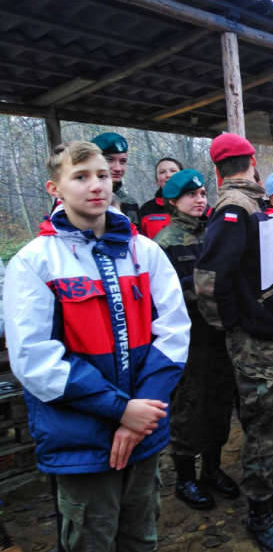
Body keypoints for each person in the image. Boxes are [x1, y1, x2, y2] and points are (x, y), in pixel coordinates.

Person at [5, 141, 190, 552]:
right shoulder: (35, 262)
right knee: (92, 537)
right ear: (55, 188)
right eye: (81, 176)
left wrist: (143, 407)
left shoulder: (146, 252)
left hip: (144, 429)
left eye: (103, 175)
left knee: (142, 533)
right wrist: (120, 409)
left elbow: (174, 331)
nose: (96, 186)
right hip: (81, 439)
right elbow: (34, 358)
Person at [194, 133, 273, 552]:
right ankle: (260, 512)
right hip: (255, 338)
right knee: (265, 426)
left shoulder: (258, 207)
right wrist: (235, 327)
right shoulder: (232, 209)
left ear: (216, 169)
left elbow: (252, 269)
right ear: (252, 162)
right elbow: (209, 282)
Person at [154, 169, 238, 510]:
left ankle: (212, 469)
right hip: (189, 340)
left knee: (219, 403)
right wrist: (206, 284)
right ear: (174, 201)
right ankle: (186, 478)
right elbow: (166, 295)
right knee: (189, 408)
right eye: (192, 195)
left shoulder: (214, 234)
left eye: (203, 194)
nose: (200, 200)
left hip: (220, 336)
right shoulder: (164, 242)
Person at [91, 132, 140, 229]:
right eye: (109, 160)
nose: (118, 168)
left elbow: (136, 240)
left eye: (123, 161)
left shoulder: (130, 203)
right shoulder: (79, 198)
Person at [138, 157, 183, 239]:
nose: (168, 175)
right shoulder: (146, 211)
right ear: (157, 180)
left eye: (173, 171)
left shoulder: (197, 204)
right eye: (162, 172)